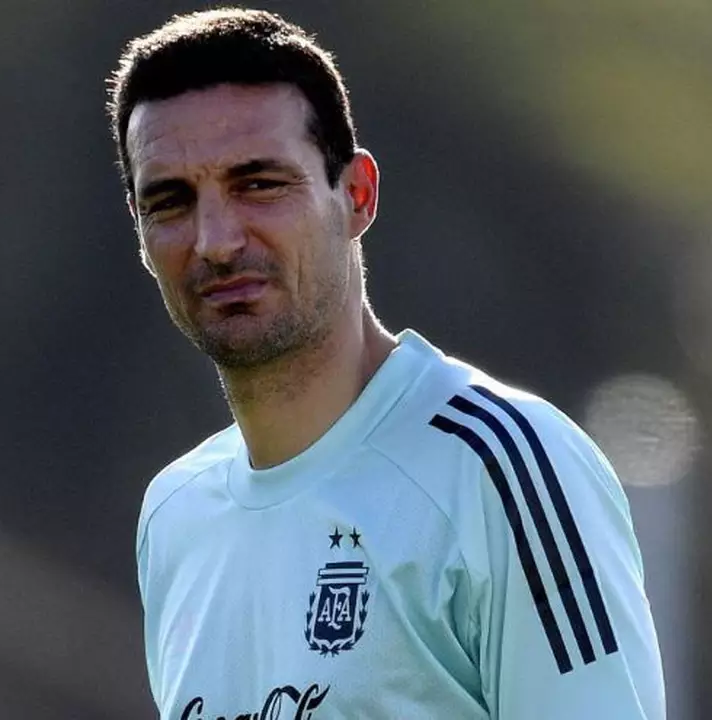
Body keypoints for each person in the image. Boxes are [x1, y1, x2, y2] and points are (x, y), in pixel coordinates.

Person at [107, 8, 665, 719]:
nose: (216, 240)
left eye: (260, 184)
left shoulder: (501, 465)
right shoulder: (176, 514)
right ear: (139, 230)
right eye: (171, 202)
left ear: (358, 196)